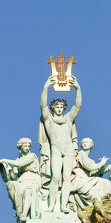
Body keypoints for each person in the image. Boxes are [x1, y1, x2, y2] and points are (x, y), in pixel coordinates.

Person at [39, 74, 81, 213]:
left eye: (61, 106)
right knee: (55, 177)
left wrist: (77, 89)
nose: (59, 108)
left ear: (64, 108)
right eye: (56, 106)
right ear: (53, 108)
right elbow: (42, 105)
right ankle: (51, 206)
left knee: (66, 177)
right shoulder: (49, 120)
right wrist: (46, 87)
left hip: (68, 149)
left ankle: (64, 206)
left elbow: (77, 105)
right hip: (55, 149)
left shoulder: (68, 119)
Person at [0, 138, 44, 222]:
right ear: (20, 147)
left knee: (29, 190)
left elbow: (19, 164)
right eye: (25, 146)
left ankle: (23, 215)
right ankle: (19, 210)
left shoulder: (32, 156)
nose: (27, 148)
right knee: (10, 184)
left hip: (33, 179)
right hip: (22, 180)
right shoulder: (18, 159)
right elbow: (13, 176)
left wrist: (4, 160)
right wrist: (5, 168)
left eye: (29, 146)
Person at [69, 137, 111, 211]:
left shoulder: (90, 160)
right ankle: (100, 207)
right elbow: (90, 167)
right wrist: (101, 163)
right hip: (80, 180)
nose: (84, 144)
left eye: (87, 142)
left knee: (106, 182)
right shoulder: (81, 154)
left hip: (87, 180)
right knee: (96, 195)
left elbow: (95, 172)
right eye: (83, 143)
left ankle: (105, 203)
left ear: (91, 145)